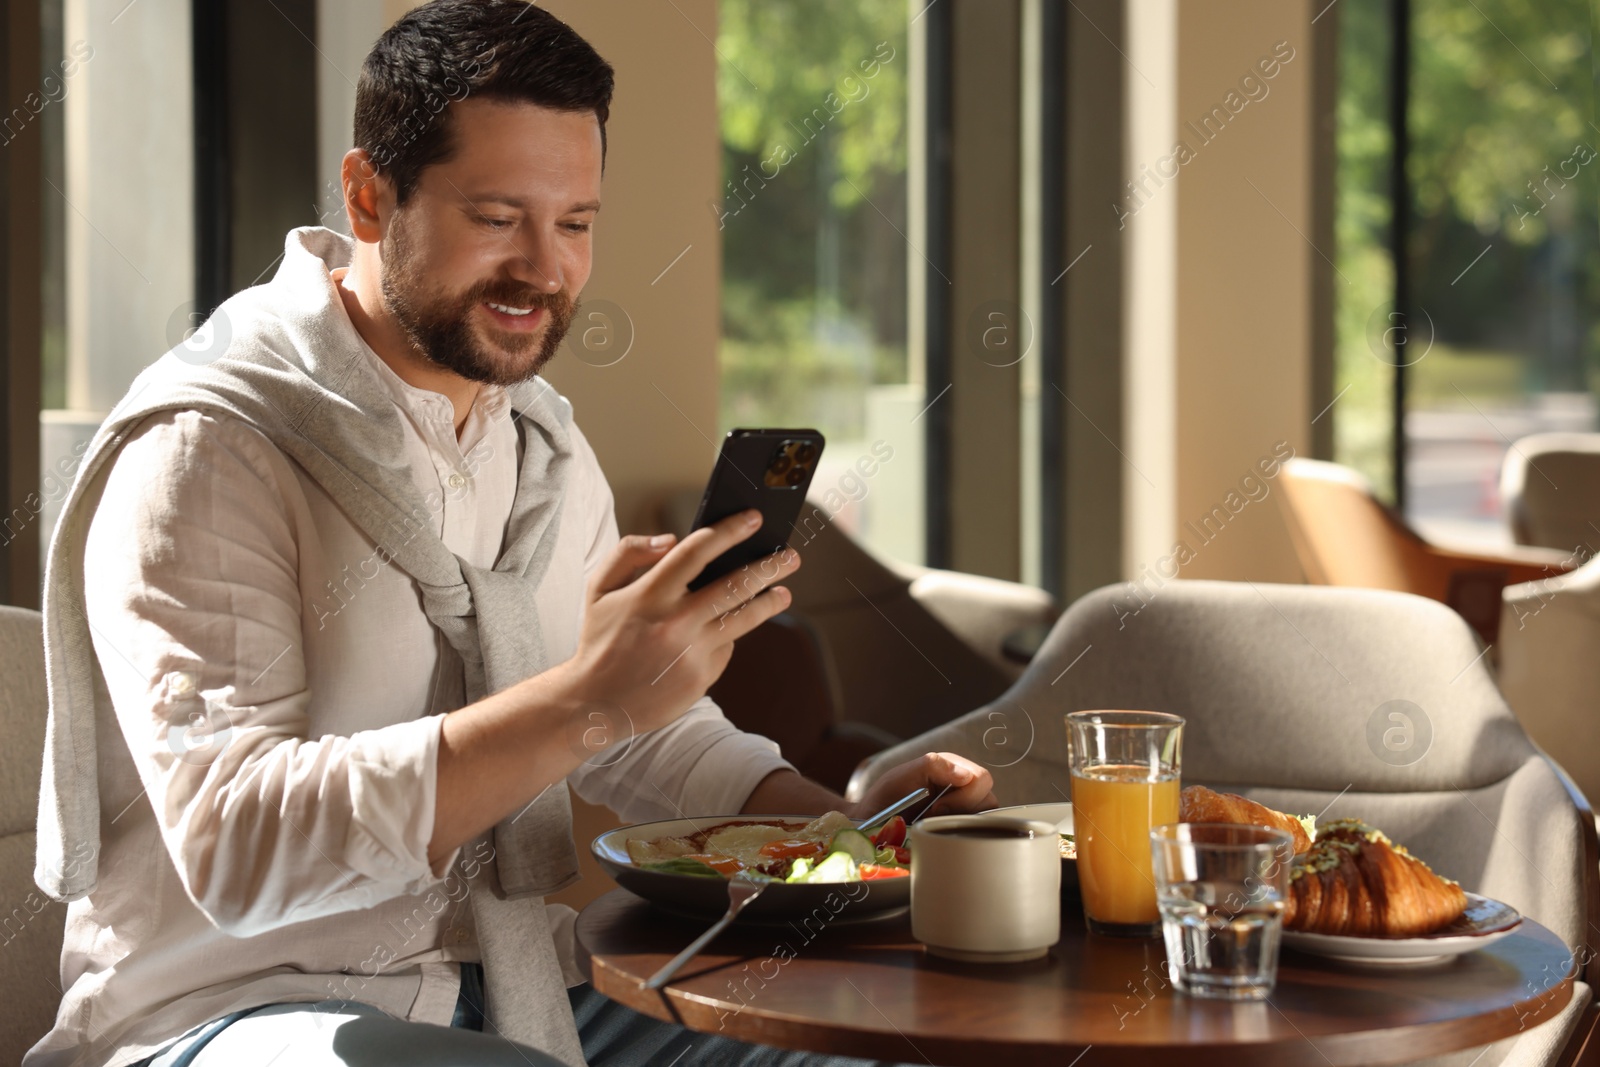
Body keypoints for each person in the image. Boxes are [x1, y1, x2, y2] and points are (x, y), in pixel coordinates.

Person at [24, 3, 996, 1066]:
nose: (545, 269)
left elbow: (644, 731)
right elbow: (241, 845)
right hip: (237, 1007)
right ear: (367, 193)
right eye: (497, 217)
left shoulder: (539, 447)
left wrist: (849, 836)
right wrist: (584, 699)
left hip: (526, 984)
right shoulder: (211, 449)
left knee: (890, 1044)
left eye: (575, 223)